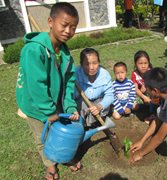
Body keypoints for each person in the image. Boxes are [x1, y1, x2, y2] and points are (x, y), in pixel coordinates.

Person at [16, 2, 80, 179]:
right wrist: (49, 111)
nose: (68, 31)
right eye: (64, 25)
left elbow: (69, 81)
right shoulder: (34, 50)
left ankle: (63, 156)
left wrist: (68, 106)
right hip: (35, 105)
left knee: (58, 130)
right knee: (42, 137)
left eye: (73, 27)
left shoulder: (65, 52)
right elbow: (37, 85)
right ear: (50, 21)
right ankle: (50, 166)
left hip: (54, 99)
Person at [75, 48, 114, 127]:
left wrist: (99, 106)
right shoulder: (76, 74)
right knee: (81, 106)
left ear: (99, 62)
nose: (91, 67)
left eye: (95, 63)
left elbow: (110, 95)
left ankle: (96, 122)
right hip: (82, 101)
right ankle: (82, 124)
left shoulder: (104, 75)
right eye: (87, 64)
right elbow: (71, 95)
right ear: (81, 64)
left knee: (105, 105)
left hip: (99, 100)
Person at [131, 50, 159, 124]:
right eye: (140, 63)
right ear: (135, 64)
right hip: (143, 94)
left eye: (145, 63)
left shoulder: (151, 72)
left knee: (155, 102)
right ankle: (145, 106)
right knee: (133, 106)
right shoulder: (134, 74)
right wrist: (143, 96)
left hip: (153, 94)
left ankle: (154, 114)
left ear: (149, 63)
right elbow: (135, 89)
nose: (143, 66)